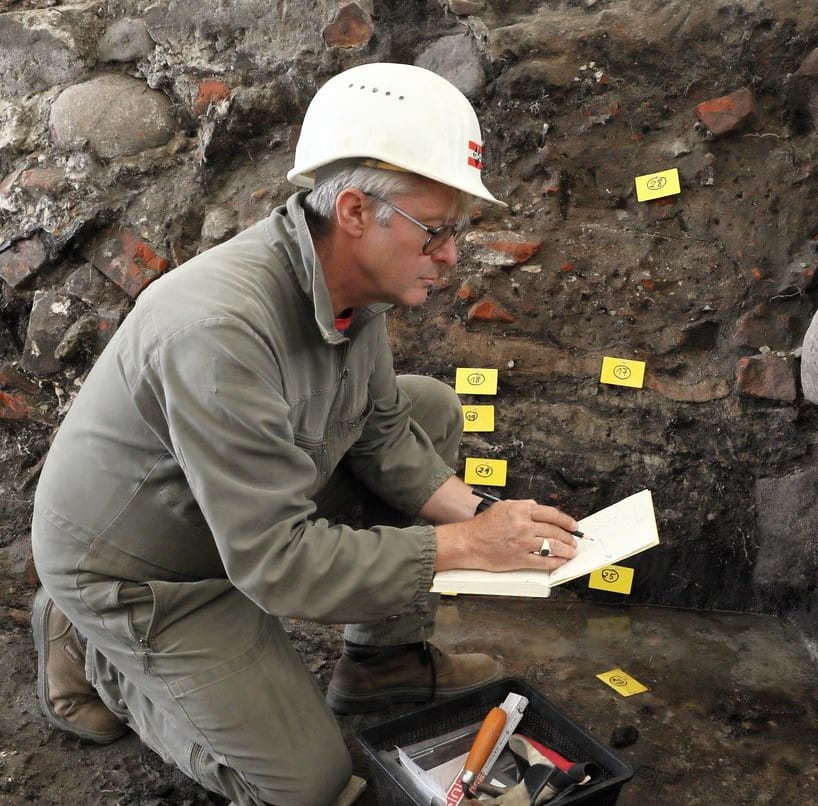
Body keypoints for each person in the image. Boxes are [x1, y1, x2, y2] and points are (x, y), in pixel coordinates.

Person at [30, 62, 581, 806]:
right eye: (437, 232)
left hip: (234, 523)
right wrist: (465, 549)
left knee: (428, 409)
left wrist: (483, 519)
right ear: (354, 211)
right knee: (309, 787)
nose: (451, 255)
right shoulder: (218, 330)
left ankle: (382, 661)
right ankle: (89, 648)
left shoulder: (351, 285)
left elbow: (385, 432)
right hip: (146, 571)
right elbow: (277, 566)